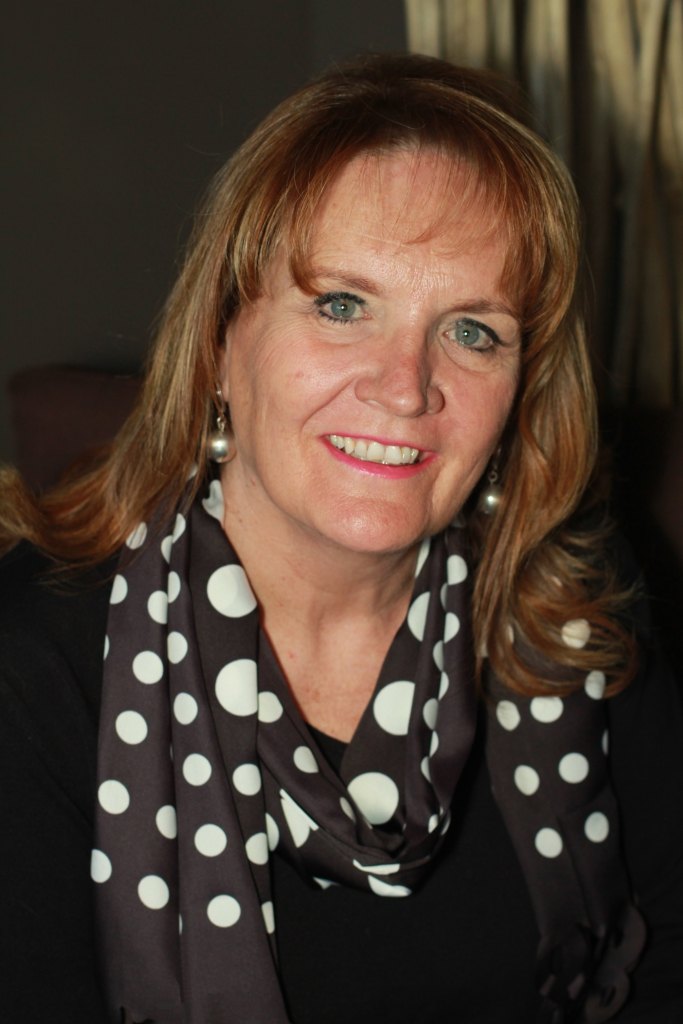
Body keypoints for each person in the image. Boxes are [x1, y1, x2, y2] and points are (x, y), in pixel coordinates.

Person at [0, 53, 681, 1024]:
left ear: (521, 389)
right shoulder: (37, 664)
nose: (404, 386)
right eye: (341, 305)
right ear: (219, 344)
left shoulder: (574, 604)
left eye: (472, 331)